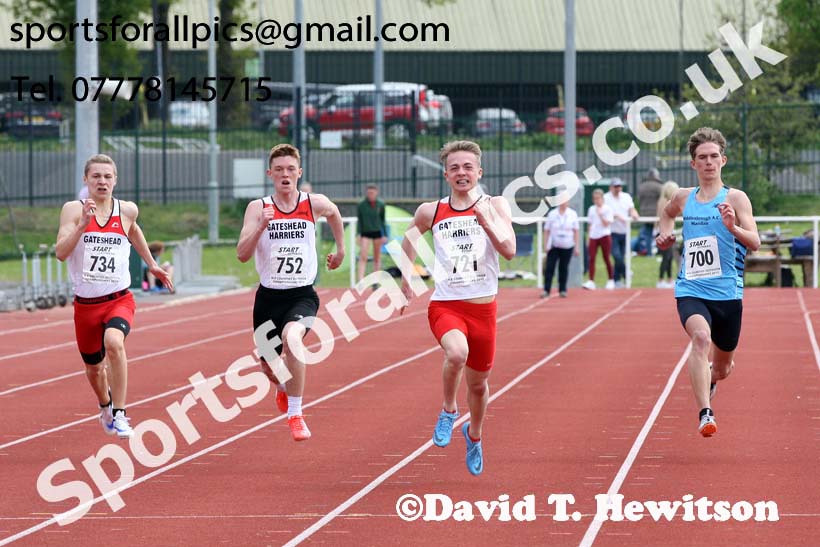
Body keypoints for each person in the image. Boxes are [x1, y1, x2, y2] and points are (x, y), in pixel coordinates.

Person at [400, 140, 515, 475]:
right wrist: (408, 279)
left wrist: (487, 222)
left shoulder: (495, 205)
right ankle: (449, 409)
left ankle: (474, 436)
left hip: (483, 310)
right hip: (446, 306)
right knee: (455, 354)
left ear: (479, 171)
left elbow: (509, 250)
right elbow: (408, 240)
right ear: (446, 174)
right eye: (454, 168)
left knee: (478, 386)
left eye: (467, 167)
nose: (461, 173)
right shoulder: (431, 211)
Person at [55, 154, 173, 439]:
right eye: (96, 176)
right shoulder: (73, 210)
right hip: (85, 305)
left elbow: (134, 231)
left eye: (108, 176)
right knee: (94, 370)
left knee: (114, 343)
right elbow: (60, 253)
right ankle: (105, 405)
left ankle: (120, 412)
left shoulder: (127, 210)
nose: (102, 181)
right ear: (86, 180)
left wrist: (152, 264)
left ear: (115, 180)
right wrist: (83, 224)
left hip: (118, 299)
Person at [236, 144, 345, 442]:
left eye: (290, 169)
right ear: (270, 174)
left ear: (299, 172)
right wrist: (261, 227)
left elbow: (335, 214)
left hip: (302, 295)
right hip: (268, 299)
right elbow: (242, 255)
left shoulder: (313, 203)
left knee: (292, 338)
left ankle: (296, 413)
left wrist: (341, 250)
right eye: (279, 169)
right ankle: (283, 388)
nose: (285, 174)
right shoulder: (258, 208)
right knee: (271, 367)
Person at [656, 127, 760, 437]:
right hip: (692, 288)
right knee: (700, 338)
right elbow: (666, 213)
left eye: (714, 156)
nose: (709, 162)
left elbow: (754, 241)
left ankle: (713, 380)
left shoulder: (736, 198)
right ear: (693, 164)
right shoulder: (684, 197)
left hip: (728, 293)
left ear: (723, 160)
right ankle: (705, 413)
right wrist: (663, 235)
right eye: (702, 158)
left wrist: (733, 228)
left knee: (722, 368)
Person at [604, 178, 639, 287]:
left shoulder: (626, 197)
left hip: (625, 232)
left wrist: (634, 214)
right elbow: (606, 212)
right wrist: (617, 216)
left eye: (619, 186)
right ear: (611, 188)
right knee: (616, 255)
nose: (617, 189)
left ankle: (617, 279)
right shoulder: (606, 198)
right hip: (612, 232)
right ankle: (626, 272)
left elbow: (631, 209)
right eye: (615, 187)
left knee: (621, 256)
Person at [542, 201, 580, 298]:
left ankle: (562, 290)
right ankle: (546, 289)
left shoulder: (572, 214)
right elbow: (547, 230)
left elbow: (576, 231)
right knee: (549, 268)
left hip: (567, 245)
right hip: (554, 245)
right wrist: (545, 245)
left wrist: (576, 246)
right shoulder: (552, 214)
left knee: (563, 268)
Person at [583, 189, 615, 290]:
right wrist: (589, 237)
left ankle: (610, 279)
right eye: (595, 199)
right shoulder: (591, 209)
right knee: (591, 258)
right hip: (594, 236)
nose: (597, 201)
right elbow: (590, 224)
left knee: (606, 258)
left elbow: (607, 223)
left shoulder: (607, 209)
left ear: (602, 198)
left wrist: (601, 214)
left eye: (598, 198)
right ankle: (591, 281)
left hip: (604, 235)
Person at [356, 184, 387, 282]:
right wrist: (358, 234)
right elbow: (359, 220)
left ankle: (376, 280)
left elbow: (383, 220)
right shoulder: (361, 205)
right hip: (365, 232)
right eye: (369, 192)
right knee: (363, 255)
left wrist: (385, 234)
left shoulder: (381, 204)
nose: (371, 194)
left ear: (376, 193)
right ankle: (360, 279)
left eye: (372, 192)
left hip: (377, 232)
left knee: (377, 256)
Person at [655, 181, 680, 288]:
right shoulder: (666, 202)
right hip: (664, 232)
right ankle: (661, 280)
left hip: (664, 231)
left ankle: (669, 279)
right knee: (666, 258)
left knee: (669, 257)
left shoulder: (662, 201)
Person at [635, 168, 663, 256]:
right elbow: (662, 200)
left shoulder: (641, 187)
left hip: (644, 214)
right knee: (659, 233)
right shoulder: (659, 186)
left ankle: (649, 253)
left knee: (647, 234)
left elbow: (639, 200)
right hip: (656, 214)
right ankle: (660, 251)